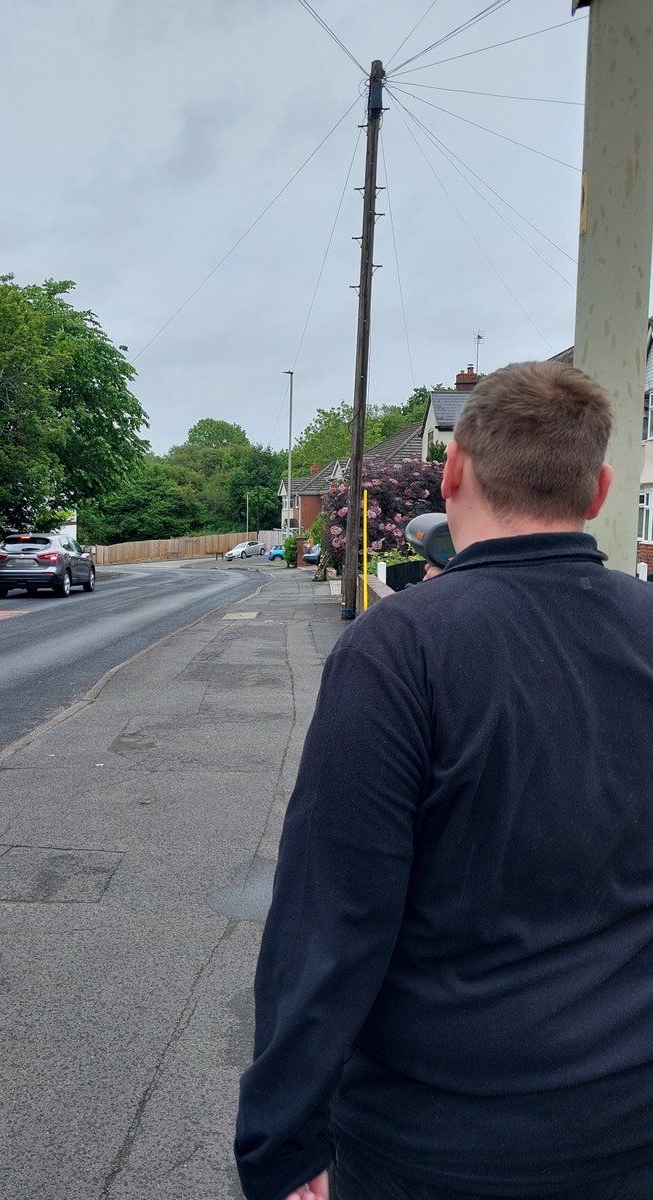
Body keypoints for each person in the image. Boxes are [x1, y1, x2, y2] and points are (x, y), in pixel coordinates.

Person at [235, 360, 653, 1200]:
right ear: (600, 489)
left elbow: (333, 914)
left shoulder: (401, 649)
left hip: (441, 1145)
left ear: (453, 468)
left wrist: (281, 1138)